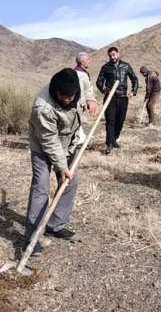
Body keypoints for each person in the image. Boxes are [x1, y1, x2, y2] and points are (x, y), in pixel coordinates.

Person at [25, 68, 85, 256]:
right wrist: (61, 166)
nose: (67, 99)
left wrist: (90, 99)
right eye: (63, 96)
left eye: (71, 96)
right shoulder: (43, 107)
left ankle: (55, 224)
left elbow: (87, 87)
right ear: (55, 90)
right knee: (41, 187)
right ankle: (32, 236)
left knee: (70, 182)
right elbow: (49, 141)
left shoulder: (78, 85)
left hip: (67, 142)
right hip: (43, 145)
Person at [96, 47, 138, 154]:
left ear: (118, 54)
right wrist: (102, 88)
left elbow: (134, 79)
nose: (112, 57)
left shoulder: (126, 66)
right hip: (110, 98)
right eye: (110, 55)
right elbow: (99, 81)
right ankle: (109, 143)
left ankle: (114, 139)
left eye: (114, 55)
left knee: (120, 121)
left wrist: (133, 91)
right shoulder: (105, 67)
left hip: (123, 97)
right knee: (110, 120)